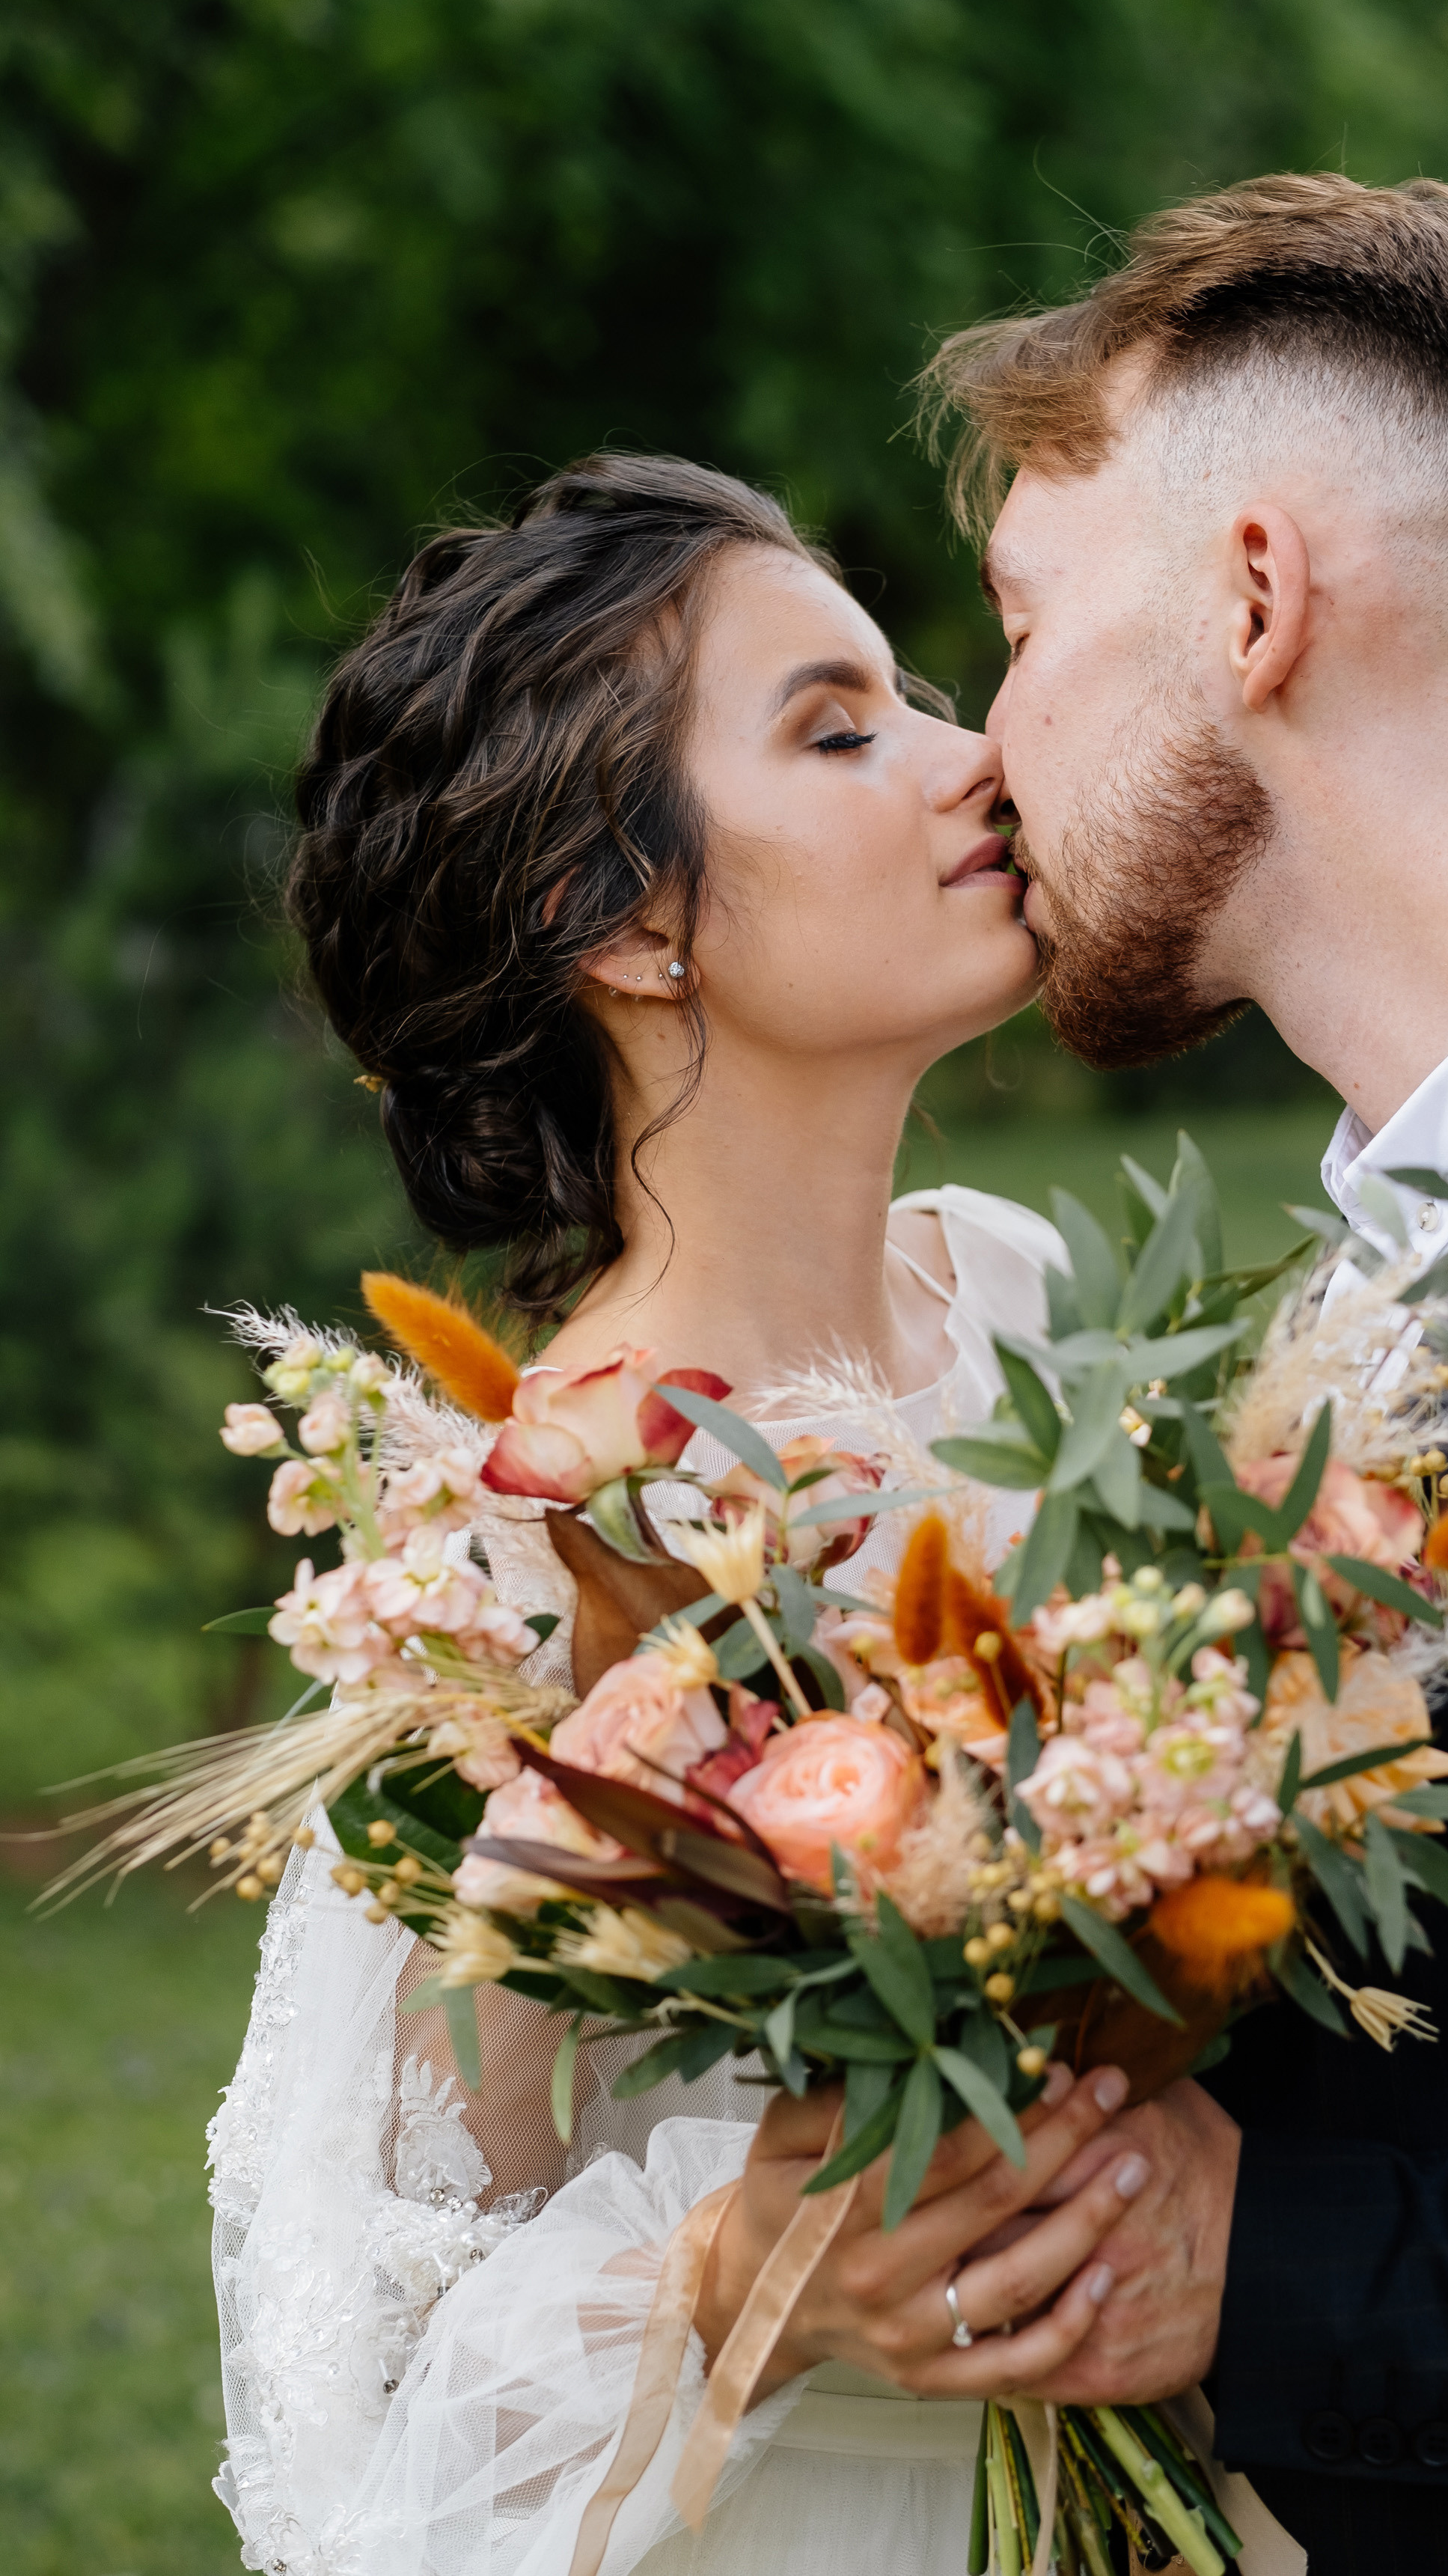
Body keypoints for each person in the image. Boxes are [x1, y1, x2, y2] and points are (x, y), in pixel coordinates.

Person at [885, 172, 1448, 2571]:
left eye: (1023, 628)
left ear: (1255, 599)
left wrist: (1272, 2272)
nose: (986, 748)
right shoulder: (1321, 1321)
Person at [211, 454, 1153, 2576]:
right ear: (627, 920)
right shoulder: (522, 1550)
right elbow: (358, 2368)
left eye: (918, 697)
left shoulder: (1022, 1294)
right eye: (837, 730)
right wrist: (747, 2280)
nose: (970, 757)